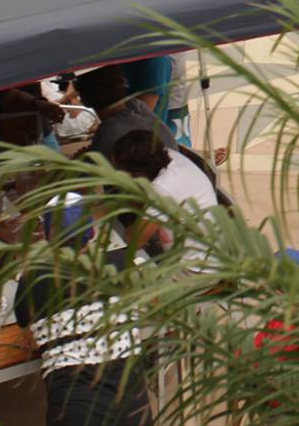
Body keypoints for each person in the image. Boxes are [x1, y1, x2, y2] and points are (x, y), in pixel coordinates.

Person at [14, 252, 152, 426]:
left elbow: (31, 341)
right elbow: (147, 309)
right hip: (133, 410)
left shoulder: (31, 278)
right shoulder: (123, 261)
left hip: (74, 410)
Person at [105, 129, 225, 262]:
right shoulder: (165, 156)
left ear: (137, 173)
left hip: (193, 266)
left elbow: (135, 241)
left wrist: (129, 227)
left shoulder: (163, 187)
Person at [76, 64, 175, 162]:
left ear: (83, 100)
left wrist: (81, 160)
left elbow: (92, 170)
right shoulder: (138, 106)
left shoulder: (108, 131)